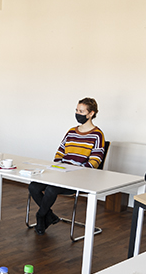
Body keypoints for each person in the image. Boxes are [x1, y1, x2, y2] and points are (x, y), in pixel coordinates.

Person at [28, 97, 107, 235]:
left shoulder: (97, 135)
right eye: (76, 110)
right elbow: (59, 153)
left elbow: (95, 161)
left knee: (51, 189)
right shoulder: (71, 131)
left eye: (81, 111)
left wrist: (76, 171)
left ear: (91, 114)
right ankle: (50, 215)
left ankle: (41, 216)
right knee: (33, 186)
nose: (77, 113)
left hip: (79, 176)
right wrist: (58, 166)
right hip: (60, 172)